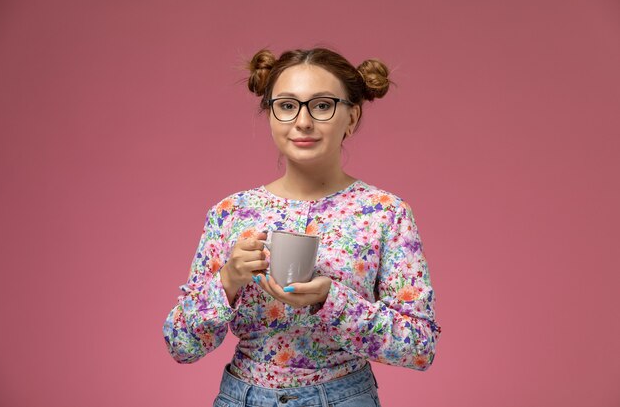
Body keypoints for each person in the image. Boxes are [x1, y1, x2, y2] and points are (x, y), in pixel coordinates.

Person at [163, 47, 441, 407]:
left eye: (322, 105)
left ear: (352, 117)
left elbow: (420, 347)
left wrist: (332, 300)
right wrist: (228, 281)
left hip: (344, 398)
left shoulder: (385, 213)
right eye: (287, 105)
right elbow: (180, 346)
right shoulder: (231, 213)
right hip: (241, 398)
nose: (303, 121)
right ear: (271, 115)